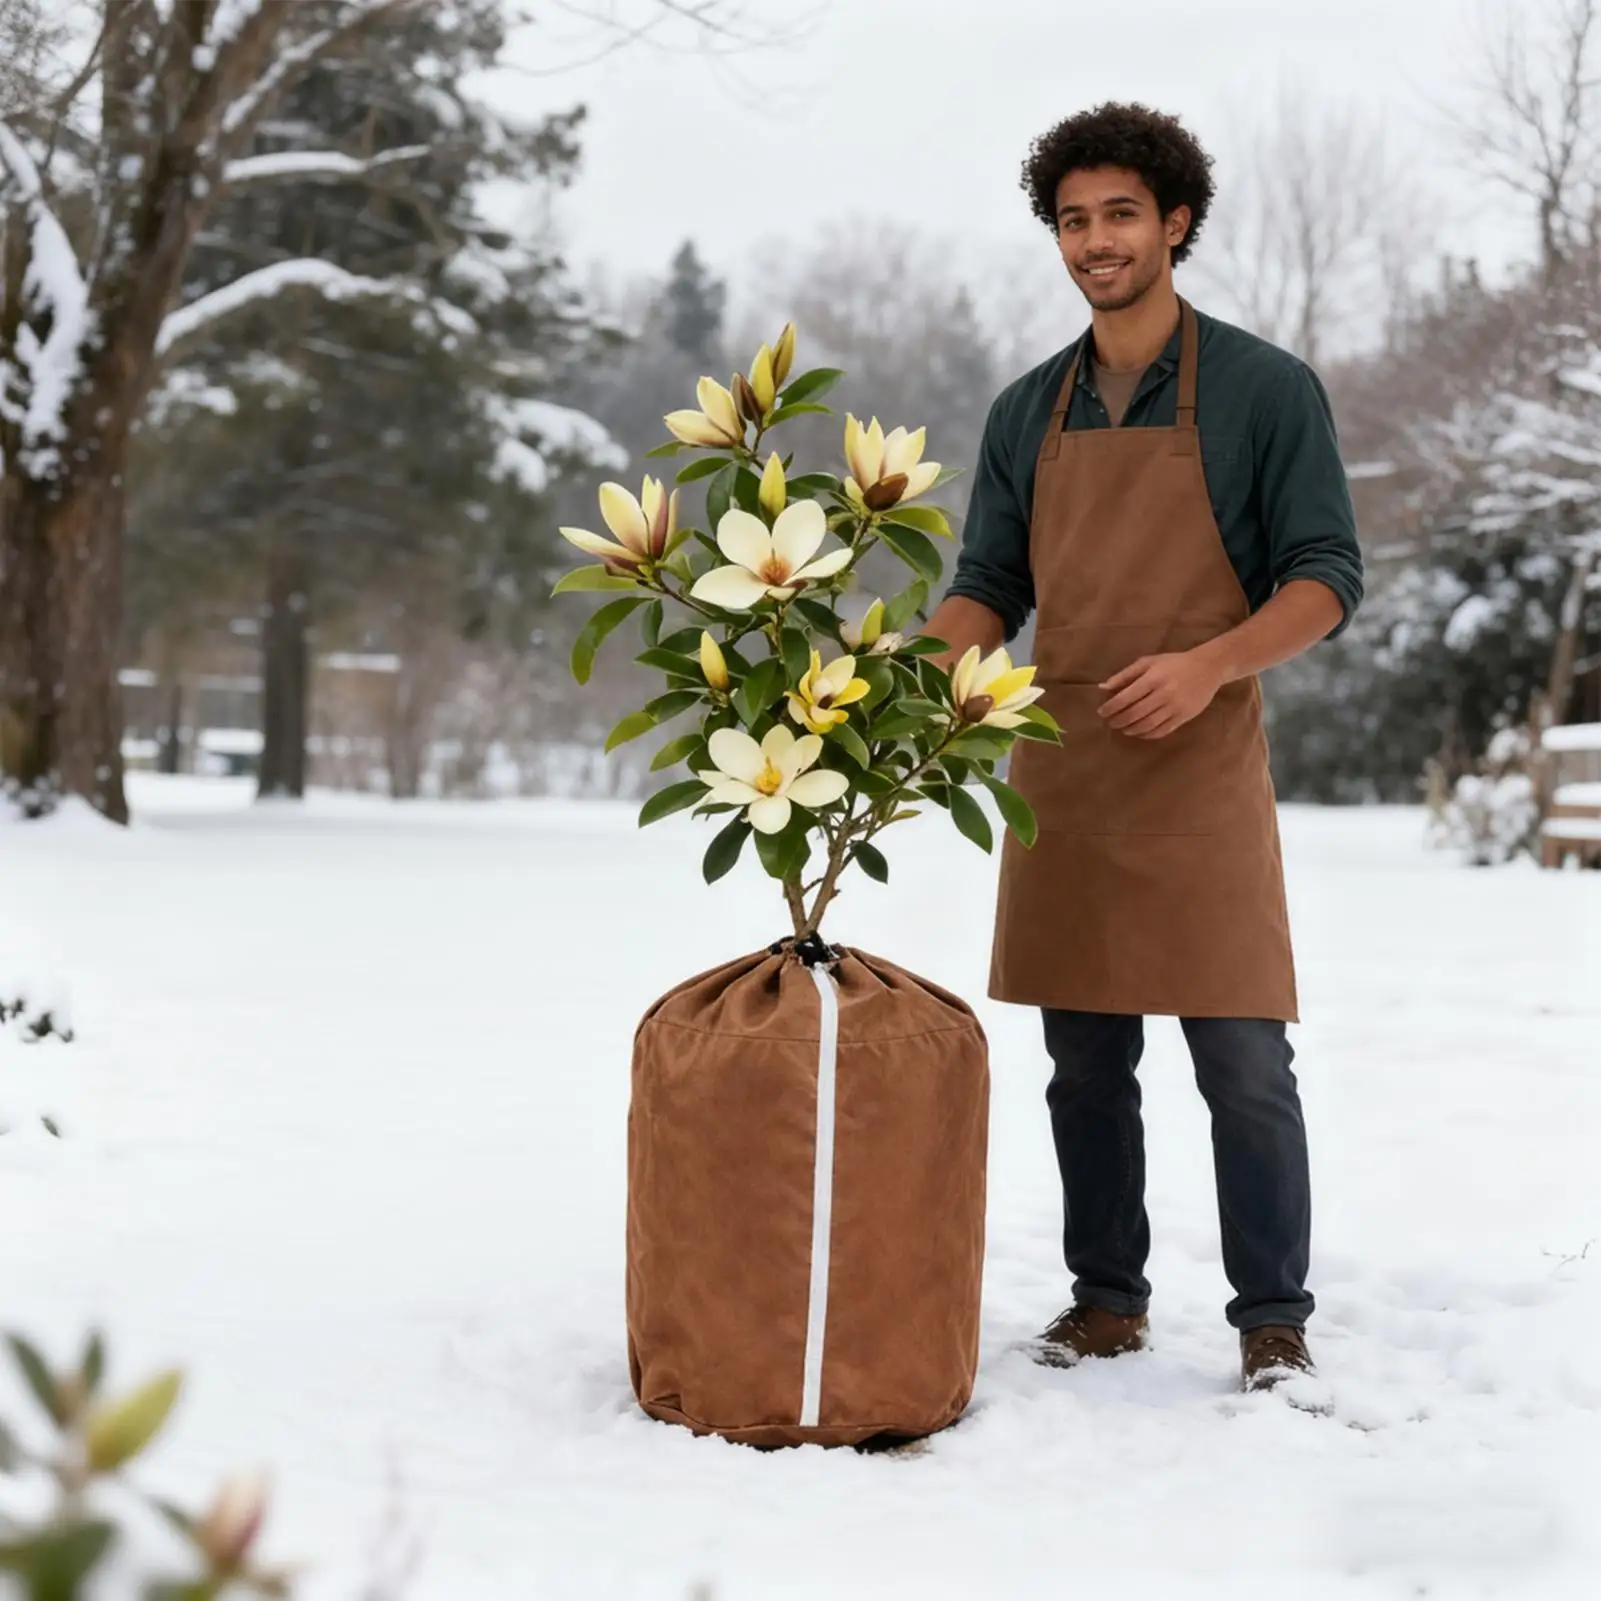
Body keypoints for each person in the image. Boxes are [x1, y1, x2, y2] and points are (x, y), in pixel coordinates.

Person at [922, 102, 1363, 1394]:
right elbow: (989, 584)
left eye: (1120, 214)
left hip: (1204, 763)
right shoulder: (1026, 409)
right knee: (1083, 1064)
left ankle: (1273, 1320)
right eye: (1073, 220)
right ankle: (1107, 1301)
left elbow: (1325, 576)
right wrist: (898, 676)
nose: (1096, 241)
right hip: (1065, 767)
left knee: (1244, 1062)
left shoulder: (1267, 390)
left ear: (1176, 222)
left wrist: (1208, 664)